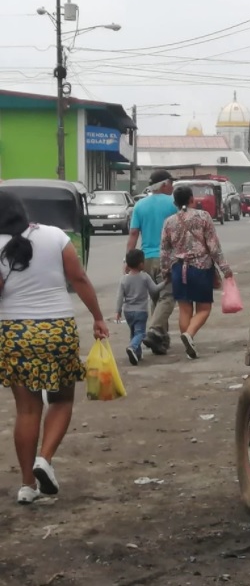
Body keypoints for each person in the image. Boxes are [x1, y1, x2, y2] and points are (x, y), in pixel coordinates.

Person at [0, 191, 109, 504]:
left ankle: (26, 486)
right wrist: (98, 318)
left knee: (27, 410)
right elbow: (79, 279)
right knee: (60, 401)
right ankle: (44, 460)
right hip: (58, 330)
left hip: (16, 333)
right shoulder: (55, 236)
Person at [160, 185, 233, 360]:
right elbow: (214, 247)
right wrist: (225, 269)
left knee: (184, 309)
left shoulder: (169, 221)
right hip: (201, 268)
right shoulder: (203, 217)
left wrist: (165, 271)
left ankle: (188, 345)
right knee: (204, 308)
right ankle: (189, 335)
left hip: (178, 268)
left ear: (175, 202)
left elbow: (164, 250)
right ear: (192, 199)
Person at [126, 169, 178, 355]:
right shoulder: (173, 203)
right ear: (164, 184)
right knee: (168, 296)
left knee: (156, 297)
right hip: (167, 257)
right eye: (170, 183)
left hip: (146, 259)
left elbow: (133, 234)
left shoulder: (140, 205)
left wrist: (128, 260)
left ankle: (160, 339)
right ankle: (155, 329)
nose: (172, 187)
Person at [115, 248, 165, 366]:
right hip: (141, 311)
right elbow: (154, 289)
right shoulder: (144, 277)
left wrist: (118, 311)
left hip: (128, 312)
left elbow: (120, 297)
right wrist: (165, 282)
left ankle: (136, 355)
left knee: (133, 332)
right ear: (141, 264)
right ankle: (132, 347)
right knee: (140, 333)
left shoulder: (124, 279)